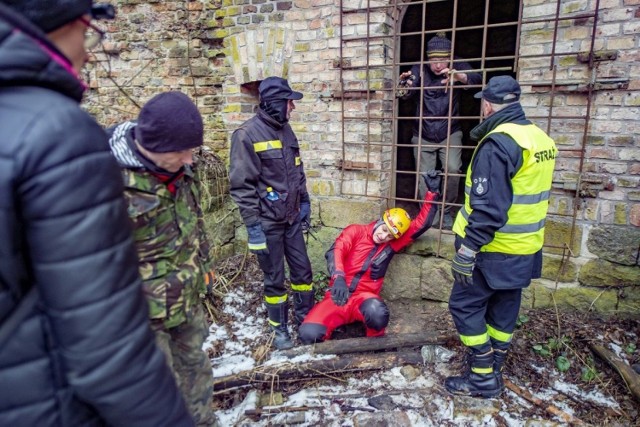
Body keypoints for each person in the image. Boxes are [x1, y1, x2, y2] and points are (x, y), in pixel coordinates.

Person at [0, 1, 194, 426]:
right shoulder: (57, 133)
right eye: (89, 32)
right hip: (49, 395)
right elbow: (105, 343)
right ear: (62, 25)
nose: (89, 52)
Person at [107, 91, 217, 425]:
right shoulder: (106, 180)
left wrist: (205, 269)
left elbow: (195, 224)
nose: (190, 160)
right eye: (182, 152)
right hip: (139, 318)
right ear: (153, 147)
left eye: (193, 151)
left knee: (196, 374)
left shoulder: (181, 169)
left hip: (186, 302)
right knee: (155, 395)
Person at [445, 75, 558, 398]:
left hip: (492, 248)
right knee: (504, 309)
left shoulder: (498, 144)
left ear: (488, 104)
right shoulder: (540, 140)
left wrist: (468, 250)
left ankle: (482, 376)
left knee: (464, 307)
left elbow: (490, 208)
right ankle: (496, 367)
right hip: (525, 247)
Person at [298, 172, 442, 344]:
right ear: (379, 221)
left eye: (390, 235)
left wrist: (432, 193)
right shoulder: (356, 231)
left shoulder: (391, 244)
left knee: (378, 314)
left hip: (364, 298)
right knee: (308, 334)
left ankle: (375, 343)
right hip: (338, 295)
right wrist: (338, 277)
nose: (383, 236)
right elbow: (337, 249)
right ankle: (328, 346)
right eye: (383, 229)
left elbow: (421, 225)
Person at [229, 76, 314, 350]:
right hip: (267, 223)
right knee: (274, 278)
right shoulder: (246, 135)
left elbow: (296, 170)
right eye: (290, 102)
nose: (293, 108)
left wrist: (304, 202)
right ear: (276, 103)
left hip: (291, 220)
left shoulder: (286, 131)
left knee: (303, 272)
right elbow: (242, 186)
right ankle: (280, 331)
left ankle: (306, 322)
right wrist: (253, 227)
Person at [398, 32, 481, 229]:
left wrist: (461, 77)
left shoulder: (457, 64)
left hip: (450, 131)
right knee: (424, 176)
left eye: (443, 59)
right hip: (423, 132)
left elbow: (478, 79)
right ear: (427, 58)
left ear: (450, 57)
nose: (437, 65)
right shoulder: (419, 68)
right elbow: (407, 91)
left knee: (453, 169)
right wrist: (404, 85)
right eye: (433, 60)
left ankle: (445, 211)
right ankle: (430, 216)